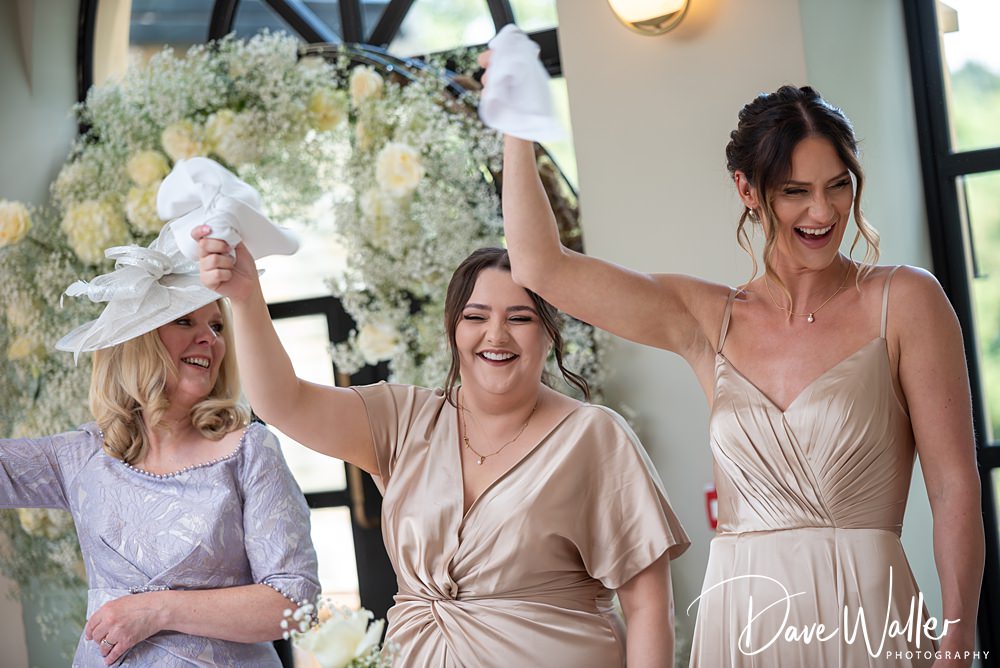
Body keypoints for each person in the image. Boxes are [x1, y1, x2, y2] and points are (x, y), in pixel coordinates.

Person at [488, 74, 985, 666]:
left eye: (838, 186)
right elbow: (543, 268)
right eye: (794, 190)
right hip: (745, 619)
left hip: (869, 614)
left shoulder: (904, 300)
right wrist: (516, 126)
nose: (822, 211)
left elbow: (953, 482)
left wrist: (959, 635)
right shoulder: (708, 318)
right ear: (747, 189)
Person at [196, 237, 690, 667]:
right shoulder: (403, 418)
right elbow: (284, 401)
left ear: (549, 333)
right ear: (454, 329)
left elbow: (647, 605)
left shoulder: (594, 436)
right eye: (476, 317)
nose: (496, 335)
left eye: (519, 317)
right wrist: (245, 297)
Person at [0, 230, 320, 667]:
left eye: (217, 325)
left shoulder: (249, 451)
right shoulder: (80, 457)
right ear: (139, 338)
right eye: (185, 321)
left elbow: (291, 603)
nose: (210, 338)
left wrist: (156, 610)